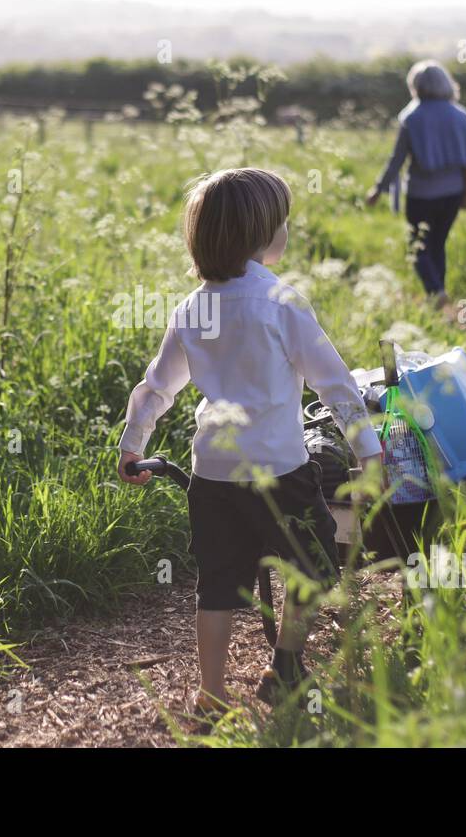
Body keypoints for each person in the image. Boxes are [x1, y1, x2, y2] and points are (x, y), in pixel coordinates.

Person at [116, 168, 383, 712]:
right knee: (309, 565)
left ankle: (210, 694)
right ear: (262, 234)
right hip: (280, 470)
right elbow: (334, 383)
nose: (287, 229)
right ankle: (285, 663)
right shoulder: (283, 302)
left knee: (216, 584)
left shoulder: (192, 308)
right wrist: (369, 450)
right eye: (282, 221)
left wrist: (133, 443)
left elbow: (156, 387)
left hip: (212, 473)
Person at [366, 59, 466, 305]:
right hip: (454, 192)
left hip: (422, 194)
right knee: (438, 243)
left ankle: (435, 291)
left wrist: (378, 189)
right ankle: (438, 291)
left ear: (416, 85)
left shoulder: (411, 117)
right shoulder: (461, 115)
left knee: (417, 246)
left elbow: (397, 160)